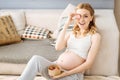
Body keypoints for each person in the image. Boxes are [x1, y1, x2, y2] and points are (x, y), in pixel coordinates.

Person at [17, 3, 101, 80]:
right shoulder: (71, 33)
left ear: (91, 17)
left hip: (72, 75)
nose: (82, 20)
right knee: (36, 59)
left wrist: (64, 74)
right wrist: (67, 24)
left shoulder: (95, 36)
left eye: (85, 16)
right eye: (79, 16)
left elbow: (89, 63)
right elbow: (58, 47)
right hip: (55, 69)